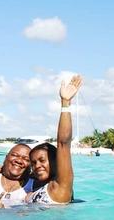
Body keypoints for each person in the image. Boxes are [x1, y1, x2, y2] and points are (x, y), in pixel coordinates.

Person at [26, 75, 82, 204]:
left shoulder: (60, 187)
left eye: (42, 160)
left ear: (56, 161)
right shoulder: (36, 186)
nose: (37, 166)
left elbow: (63, 144)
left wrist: (65, 103)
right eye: (33, 163)